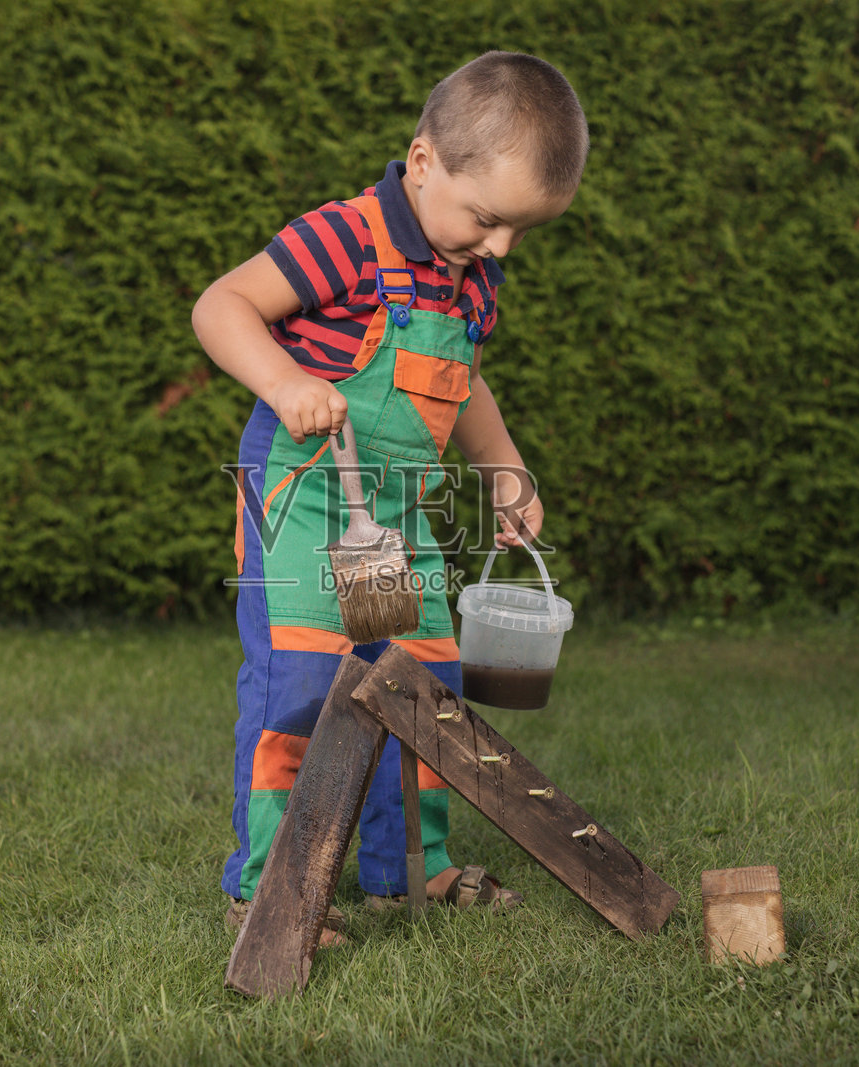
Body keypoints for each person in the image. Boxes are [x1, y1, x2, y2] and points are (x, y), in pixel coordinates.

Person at [192, 51, 588, 947]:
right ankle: (273, 887)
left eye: (521, 232)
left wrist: (504, 468)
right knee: (299, 683)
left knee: (418, 681)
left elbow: (466, 382)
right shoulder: (344, 236)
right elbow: (222, 307)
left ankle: (410, 867)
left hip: (394, 519)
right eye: (489, 220)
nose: (501, 248)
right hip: (302, 502)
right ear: (422, 162)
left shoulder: (470, 273)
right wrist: (287, 380)